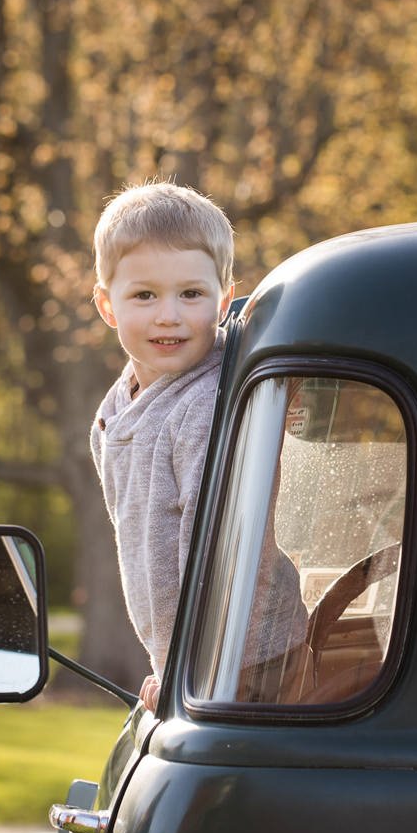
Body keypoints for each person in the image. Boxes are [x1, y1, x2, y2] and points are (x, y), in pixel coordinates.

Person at [89, 179, 305, 713]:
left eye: (192, 293)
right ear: (106, 305)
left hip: (248, 662)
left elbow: (221, 558)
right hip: (196, 656)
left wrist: (191, 668)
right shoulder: (120, 405)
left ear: (224, 298)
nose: (169, 315)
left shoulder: (203, 407)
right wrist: (171, 660)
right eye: (144, 295)